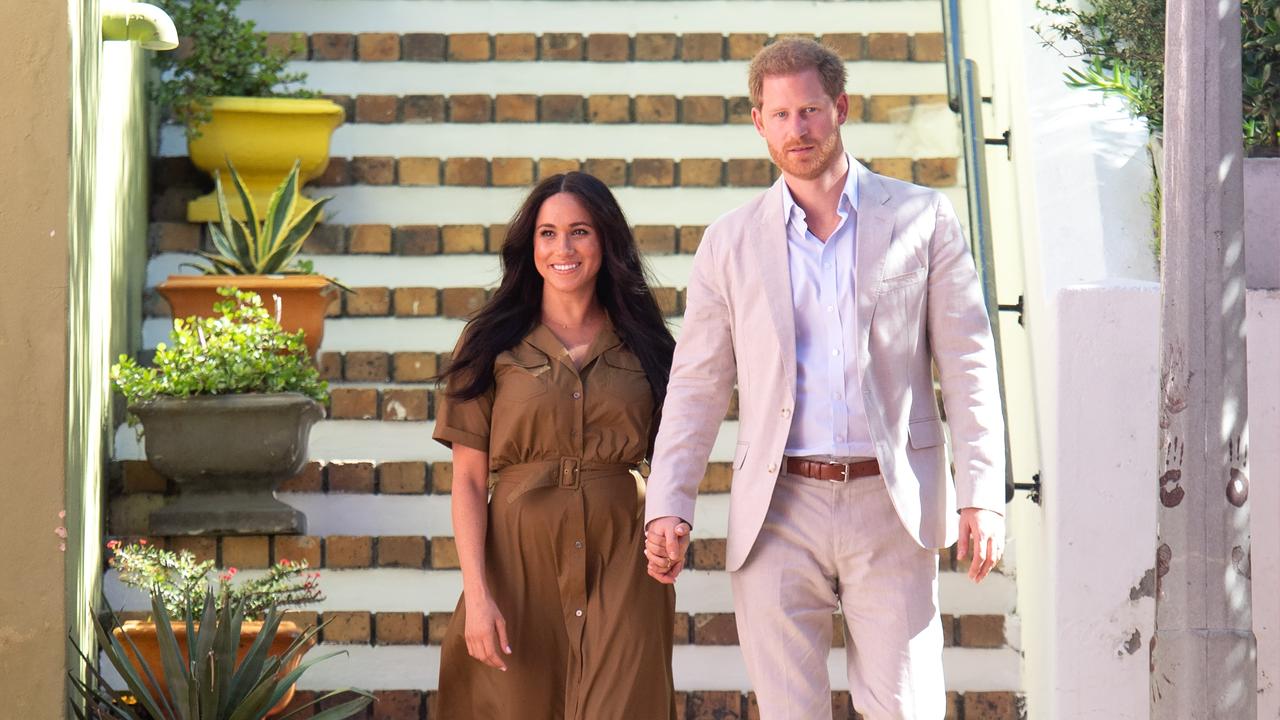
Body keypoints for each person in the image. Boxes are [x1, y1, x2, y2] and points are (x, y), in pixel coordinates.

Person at [642, 38, 1007, 719]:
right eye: (779, 115)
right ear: (758, 122)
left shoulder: (921, 218)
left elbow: (968, 363)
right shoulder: (730, 241)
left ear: (840, 108)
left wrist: (982, 493)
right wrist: (670, 499)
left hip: (888, 501)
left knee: (905, 708)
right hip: (778, 506)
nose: (797, 129)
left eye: (809, 110)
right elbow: (696, 385)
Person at [431, 172, 678, 719]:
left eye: (579, 232)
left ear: (606, 240)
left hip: (624, 556)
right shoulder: (490, 341)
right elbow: (468, 480)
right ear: (531, 245)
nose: (562, 248)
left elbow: (675, 455)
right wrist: (477, 593)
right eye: (547, 233)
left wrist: (673, 520)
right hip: (516, 560)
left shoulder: (648, 343)